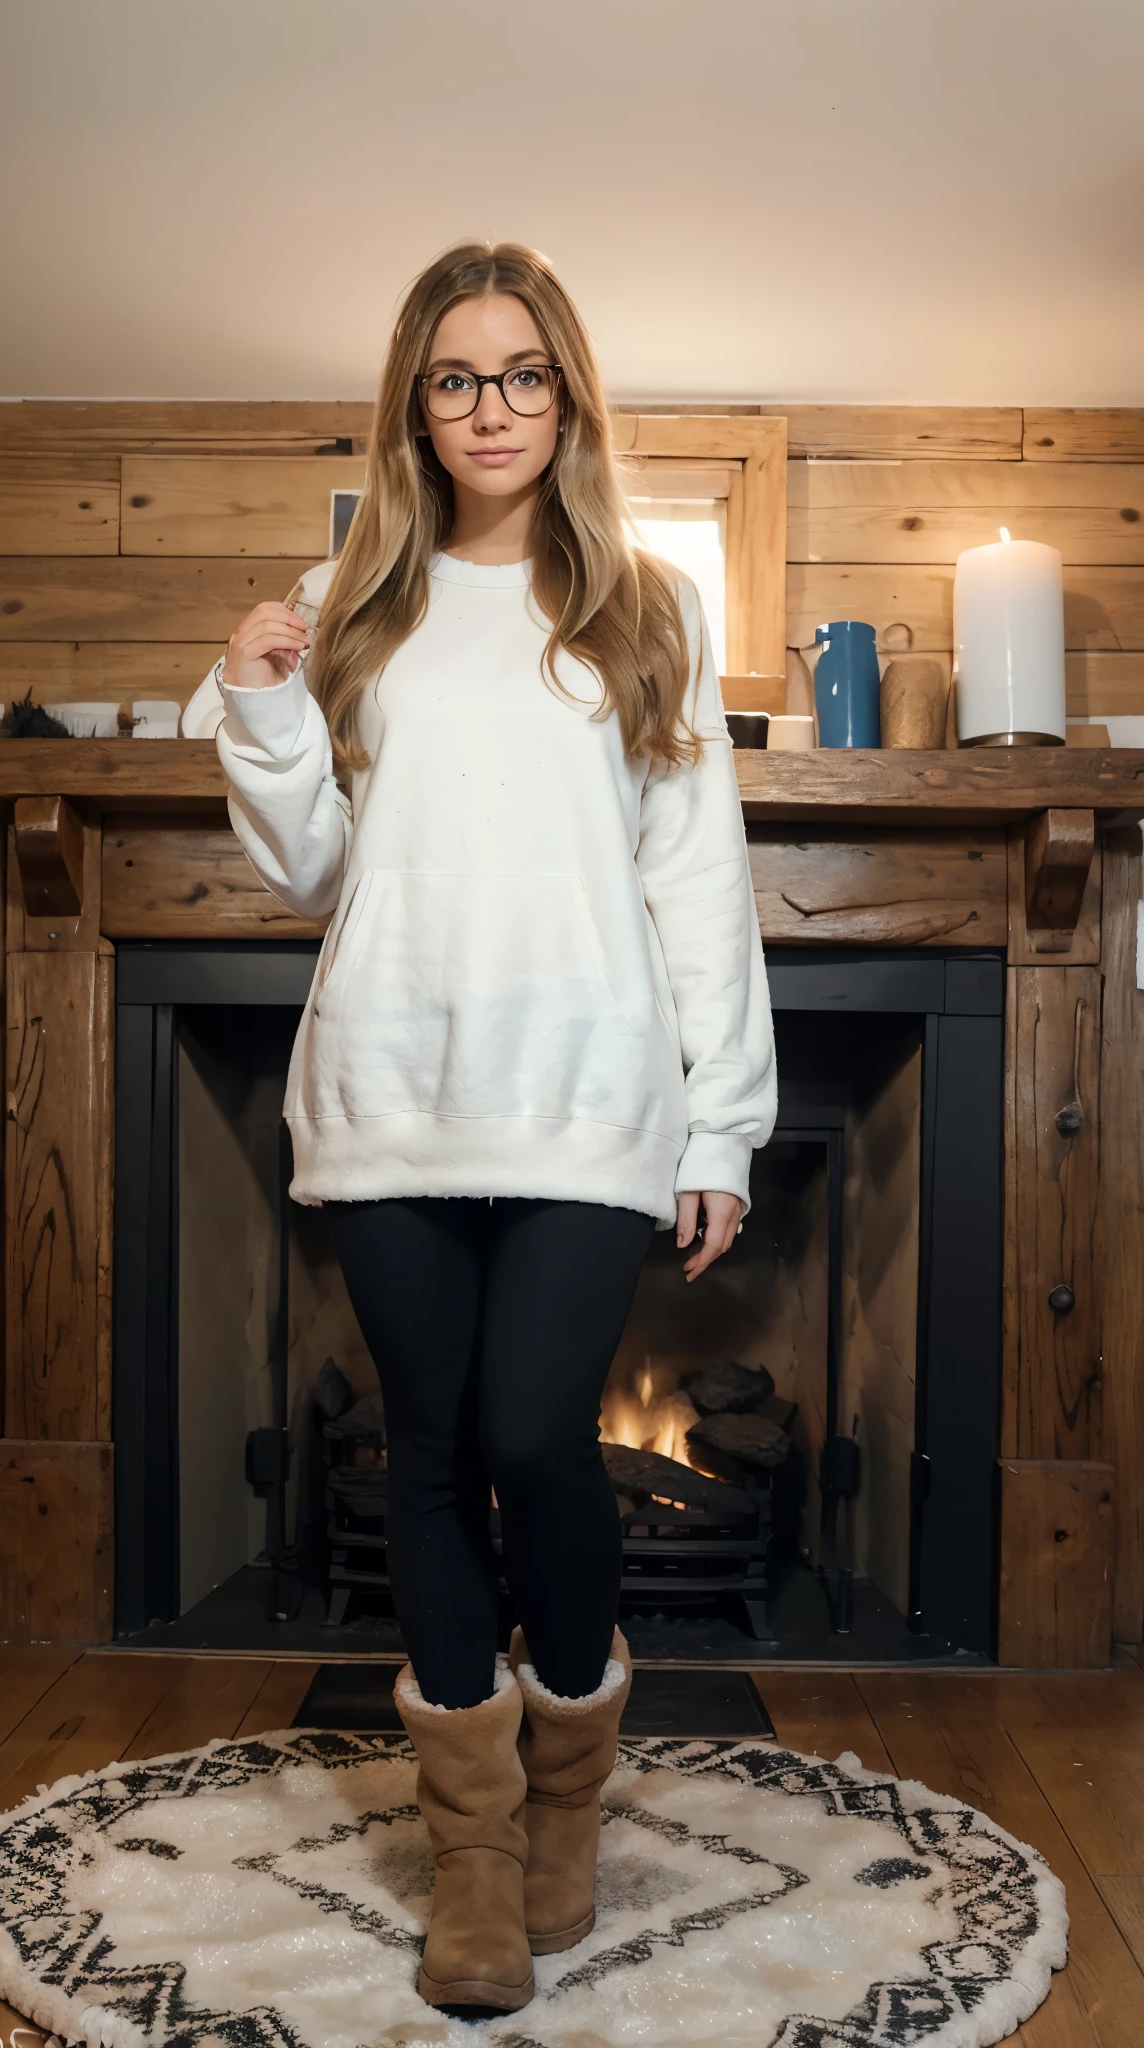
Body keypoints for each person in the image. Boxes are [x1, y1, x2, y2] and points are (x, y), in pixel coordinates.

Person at [182, 240, 776, 2014]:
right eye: (457, 377)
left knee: (535, 1434)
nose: (490, 406)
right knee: (430, 1448)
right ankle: (474, 1857)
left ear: (566, 396)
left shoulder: (643, 612)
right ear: (414, 404)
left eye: (522, 374)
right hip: (391, 1094)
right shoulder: (349, 599)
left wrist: (723, 1128)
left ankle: (570, 1795)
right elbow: (316, 870)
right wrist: (266, 702)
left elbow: (701, 886)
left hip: (592, 1099)